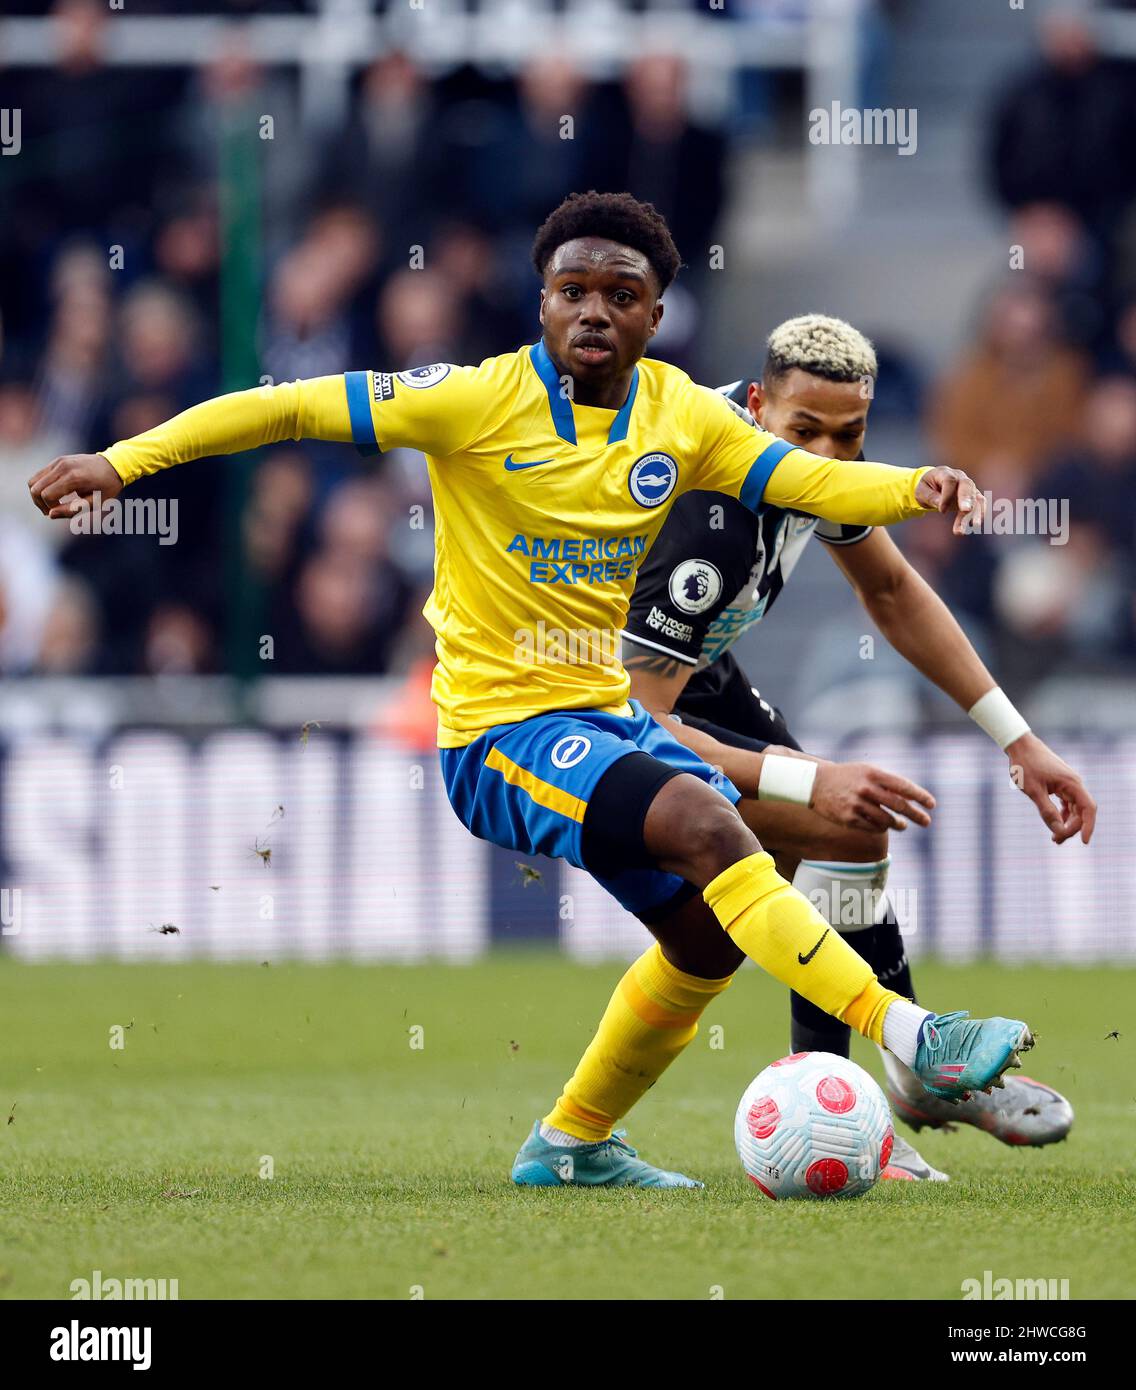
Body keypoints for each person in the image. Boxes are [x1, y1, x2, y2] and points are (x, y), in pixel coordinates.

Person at [29, 192, 1034, 1190]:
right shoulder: (468, 400)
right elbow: (283, 404)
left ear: (654, 316)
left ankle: (569, 1143)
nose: (592, 311)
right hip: (496, 732)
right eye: (570, 290)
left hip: (598, 716)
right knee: (712, 827)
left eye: (618, 293)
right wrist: (124, 463)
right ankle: (918, 1034)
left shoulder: (680, 415)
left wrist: (914, 487)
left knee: (703, 938)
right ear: (541, 303)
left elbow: (807, 484)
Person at [624, 313, 1096, 1178]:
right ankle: (895, 1084)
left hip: (696, 674)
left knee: (843, 840)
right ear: (757, 406)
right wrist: (802, 780)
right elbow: (634, 717)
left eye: (851, 437)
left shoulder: (811, 471)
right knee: (829, 838)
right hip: (584, 707)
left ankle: (883, 1091)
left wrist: (1017, 739)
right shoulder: (707, 526)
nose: (830, 459)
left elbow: (891, 590)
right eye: (805, 433)